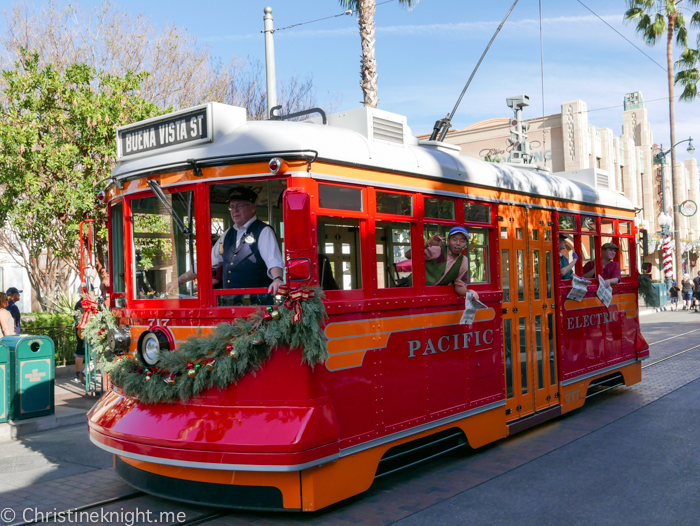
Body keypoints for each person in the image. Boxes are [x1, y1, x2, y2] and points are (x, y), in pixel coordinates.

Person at [170, 187, 284, 299]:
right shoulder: (228, 233)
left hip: (258, 303)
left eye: (239, 206)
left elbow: (273, 260)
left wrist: (277, 278)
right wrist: (179, 281)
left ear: (253, 208)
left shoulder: (263, 231)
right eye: (232, 207)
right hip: (231, 303)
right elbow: (206, 263)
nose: (235, 210)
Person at [420, 226, 480, 300]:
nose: (458, 243)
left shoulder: (463, 260)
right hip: (412, 289)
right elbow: (409, 255)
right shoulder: (438, 250)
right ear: (448, 241)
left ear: (466, 245)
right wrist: (427, 244)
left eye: (462, 241)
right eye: (454, 239)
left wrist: (469, 292)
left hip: (432, 296)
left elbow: (459, 286)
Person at [73, 298, 86, 383]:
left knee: (80, 352)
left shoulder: (78, 303)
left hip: (79, 330)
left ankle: (78, 374)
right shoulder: (89, 303)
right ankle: (84, 373)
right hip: (84, 330)